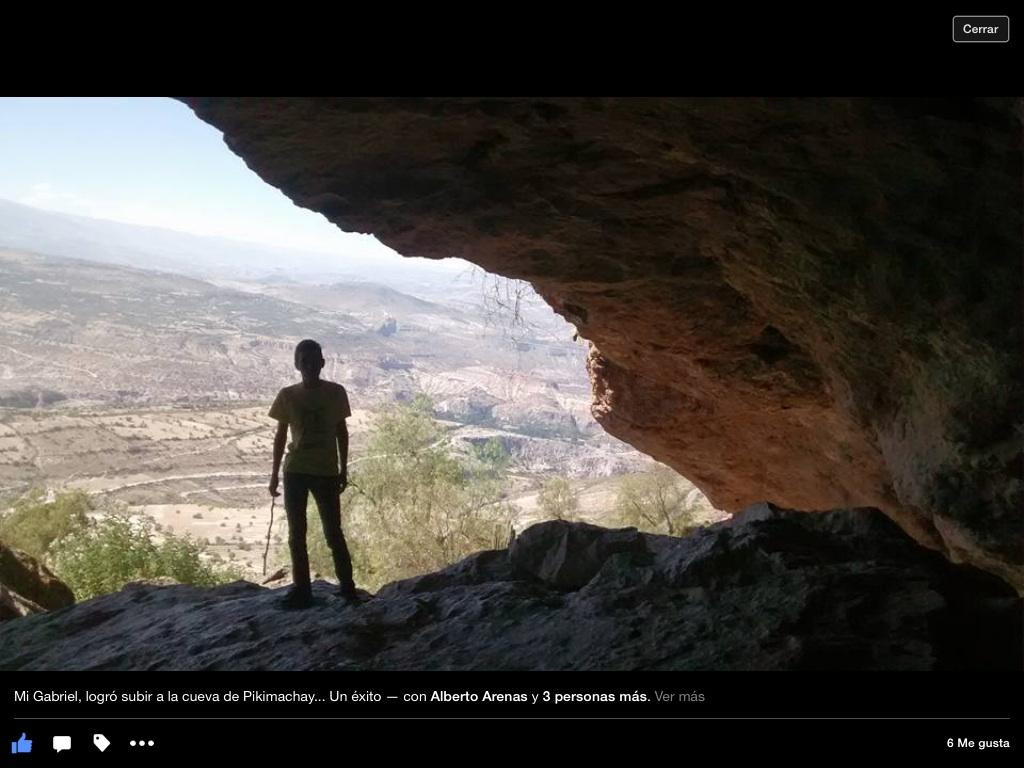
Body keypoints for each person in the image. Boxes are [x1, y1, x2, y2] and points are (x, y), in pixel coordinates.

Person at [268, 339, 357, 609]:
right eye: (304, 361)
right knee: (297, 534)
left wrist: (343, 468)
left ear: (322, 363)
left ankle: (347, 588)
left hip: (325, 471)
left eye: (313, 360)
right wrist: (274, 474)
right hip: (296, 470)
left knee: (333, 532)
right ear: (297, 364)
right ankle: (302, 590)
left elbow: (342, 432)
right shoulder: (287, 396)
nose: (309, 365)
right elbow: (280, 437)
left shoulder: (336, 393)